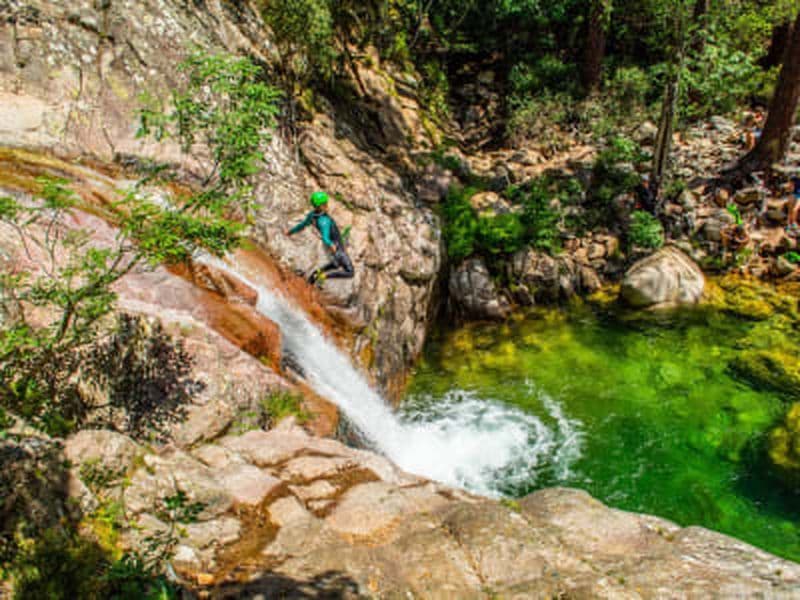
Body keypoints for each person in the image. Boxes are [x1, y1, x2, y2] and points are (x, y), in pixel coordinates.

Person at [285, 191, 354, 283]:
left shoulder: (312, 215)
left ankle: (313, 278)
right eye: (325, 204)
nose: (327, 205)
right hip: (337, 247)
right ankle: (323, 276)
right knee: (350, 272)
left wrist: (290, 232)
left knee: (335, 265)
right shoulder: (324, 221)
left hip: (335, 245)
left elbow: (302, 225)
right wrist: (331, 245)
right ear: (321, 205)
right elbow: (325, 238)